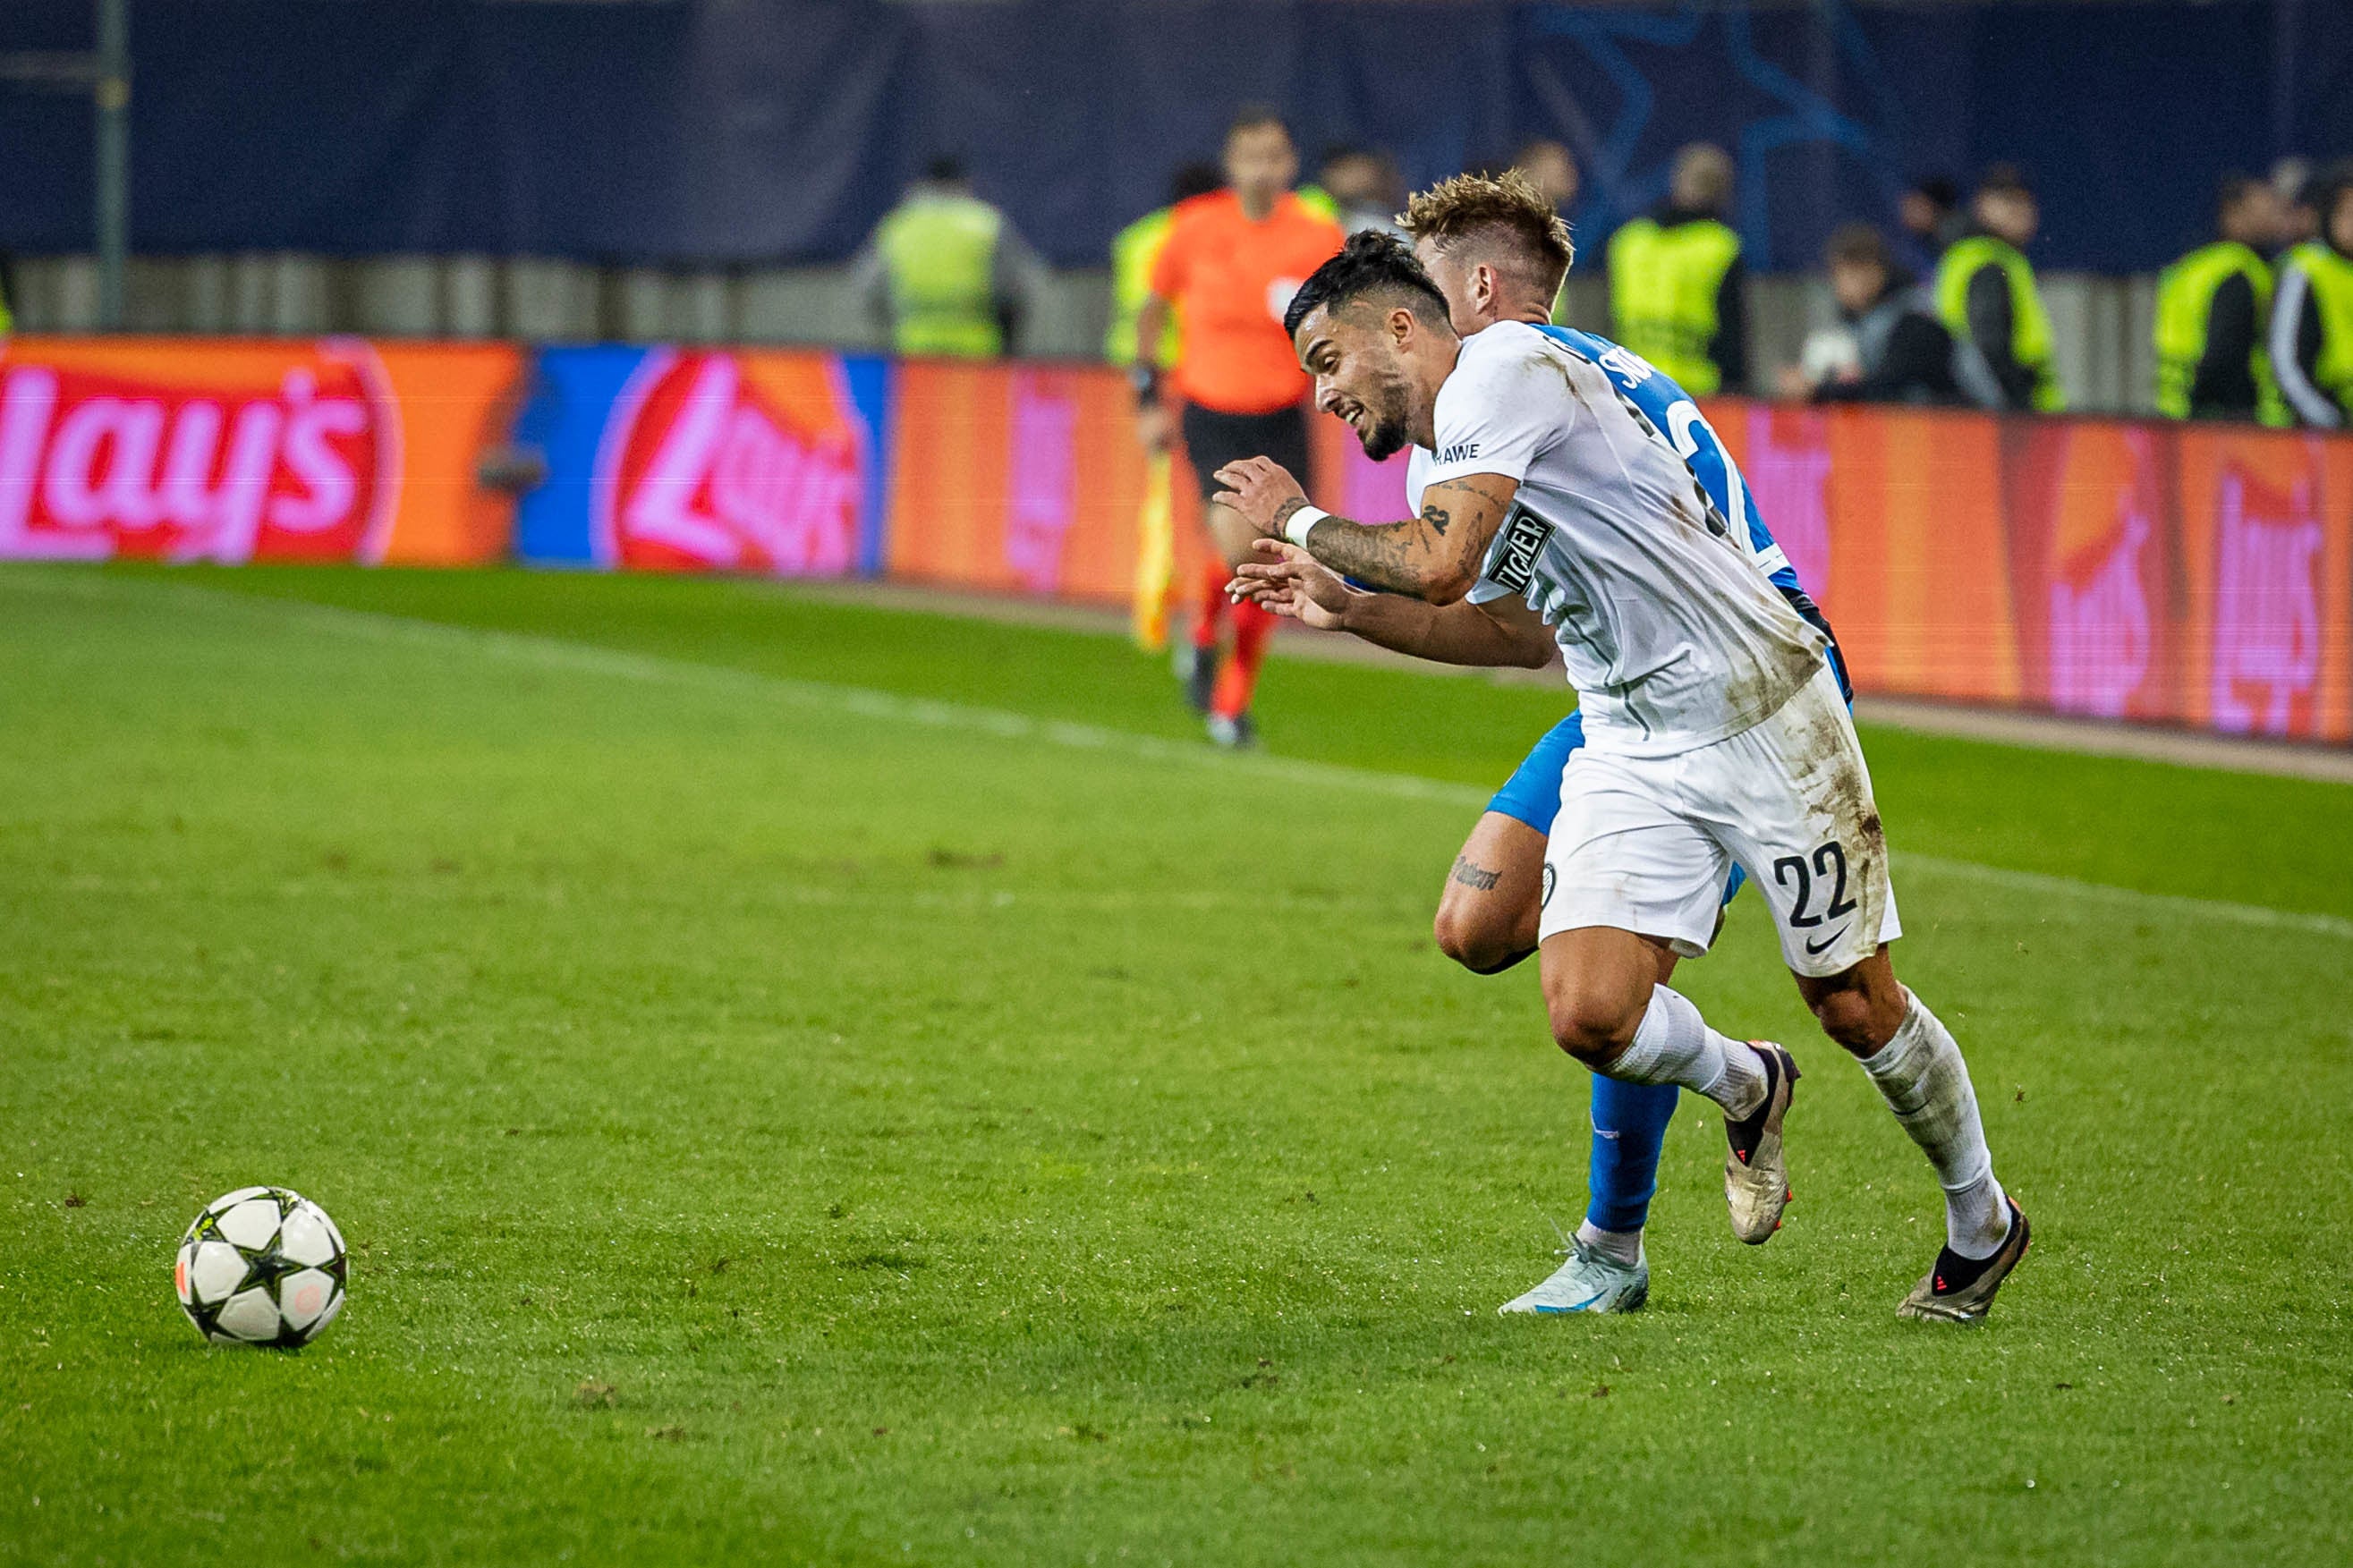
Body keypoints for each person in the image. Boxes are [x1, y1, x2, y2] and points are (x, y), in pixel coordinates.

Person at [1221, 232, 2030, 1323]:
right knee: (1591, 1011)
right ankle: (1740, 1086)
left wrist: (1296, 516)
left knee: (1851, 1002)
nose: (1320, 394)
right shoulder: (1440, 458)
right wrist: (1351, 607)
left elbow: (1441, 566)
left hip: (1761, 708)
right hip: (1627, 735)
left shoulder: (1505, 366)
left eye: (1327, 360)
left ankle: (1980, 1219)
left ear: (1406, 323)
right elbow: (1513, 633)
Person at [1129, 107, 1345, 748]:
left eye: (1273, 156)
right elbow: (1151, 313)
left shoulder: (1317, 235)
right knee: (1244, 554)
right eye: (1250, 156)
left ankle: (1211, 653)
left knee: (1277, 563)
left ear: (1291, 163)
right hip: (1214, 413)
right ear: (1231, 164)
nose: (1261, 169)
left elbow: (1342, 321)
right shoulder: (1195, 228)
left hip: (1282, 417)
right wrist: (1146, 398)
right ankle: (1228, 702)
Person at [1109, 162, 1226, 652]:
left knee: (1164, 510)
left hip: (1147, 384)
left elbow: (1138, 317)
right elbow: (1156, 316)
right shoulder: (1208, 238)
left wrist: (1143, 396)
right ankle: (1190, 620)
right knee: (1203, 512)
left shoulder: (1138, 239)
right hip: (1191, 386)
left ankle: (1167, 614)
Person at [854, 157, 1047, 359]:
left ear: (922, 185)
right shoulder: (986, 225)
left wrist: (893, 330)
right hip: (978, 351)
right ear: (964, 183)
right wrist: (1009, 345)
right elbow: (1016, 290)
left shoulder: (898, 227)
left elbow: (870, 290)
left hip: (914, 351)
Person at [1607, 143, 1747, 394]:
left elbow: (1602, 323)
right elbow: (1732, 340)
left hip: (1630, 387)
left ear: (1676, 179)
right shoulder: (1721, 246)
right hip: (1698, 394)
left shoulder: (1629, 241)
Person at [2155, 174, 2289, 424]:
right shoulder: (2239, 271)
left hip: (2174, 408)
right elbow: (2224, 357)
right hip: (2218, 420)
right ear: (2232, 213)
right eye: (2265, 206)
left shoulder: (2196, 266)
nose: (2274, 214)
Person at [1935, 165, 2064, 412]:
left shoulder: (1979, 255)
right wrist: (2018, 407)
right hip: (2006, 414)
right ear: (1981, 205)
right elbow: (1991, 349)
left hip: (1984, 410)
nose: (2020, 211)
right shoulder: (1988, 262)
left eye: (2025, 202)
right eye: (2008, 201)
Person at [1795, 224, 1959, 405]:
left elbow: (1888, 388)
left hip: (1932, 417)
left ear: (1882, 272)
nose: (1856, 283)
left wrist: (1820, 392)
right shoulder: (1848, 326)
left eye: (1862, 271)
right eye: (1846, 275)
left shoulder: (1914, 319)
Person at [2270, 162, 2353, 430]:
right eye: (2346, 213)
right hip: (2319, 425)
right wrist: (2327, 418)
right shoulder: (2305, 268)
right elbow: (2285, 359)